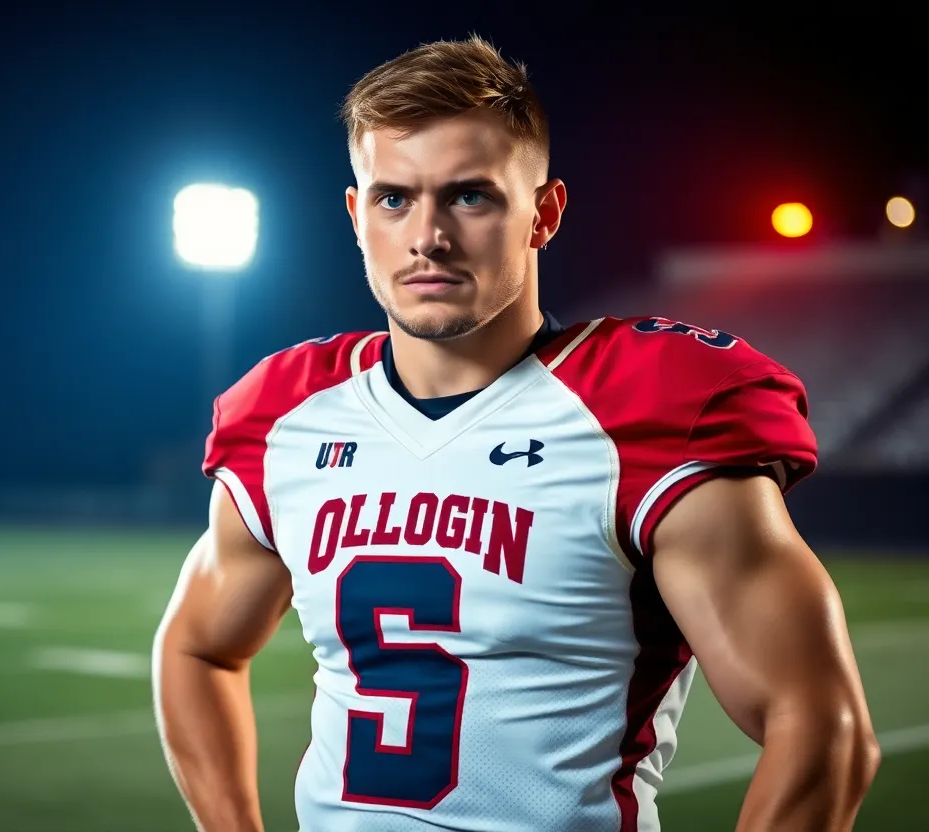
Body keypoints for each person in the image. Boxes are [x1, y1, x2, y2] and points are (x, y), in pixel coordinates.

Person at [152, 35, 879, 832]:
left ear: (544, 213)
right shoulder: (291, 416)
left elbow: (821, 729)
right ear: (358, 217)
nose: (428, 236)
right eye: (396, 198)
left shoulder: (643, 414)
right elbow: (197, 648)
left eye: (470, 196)